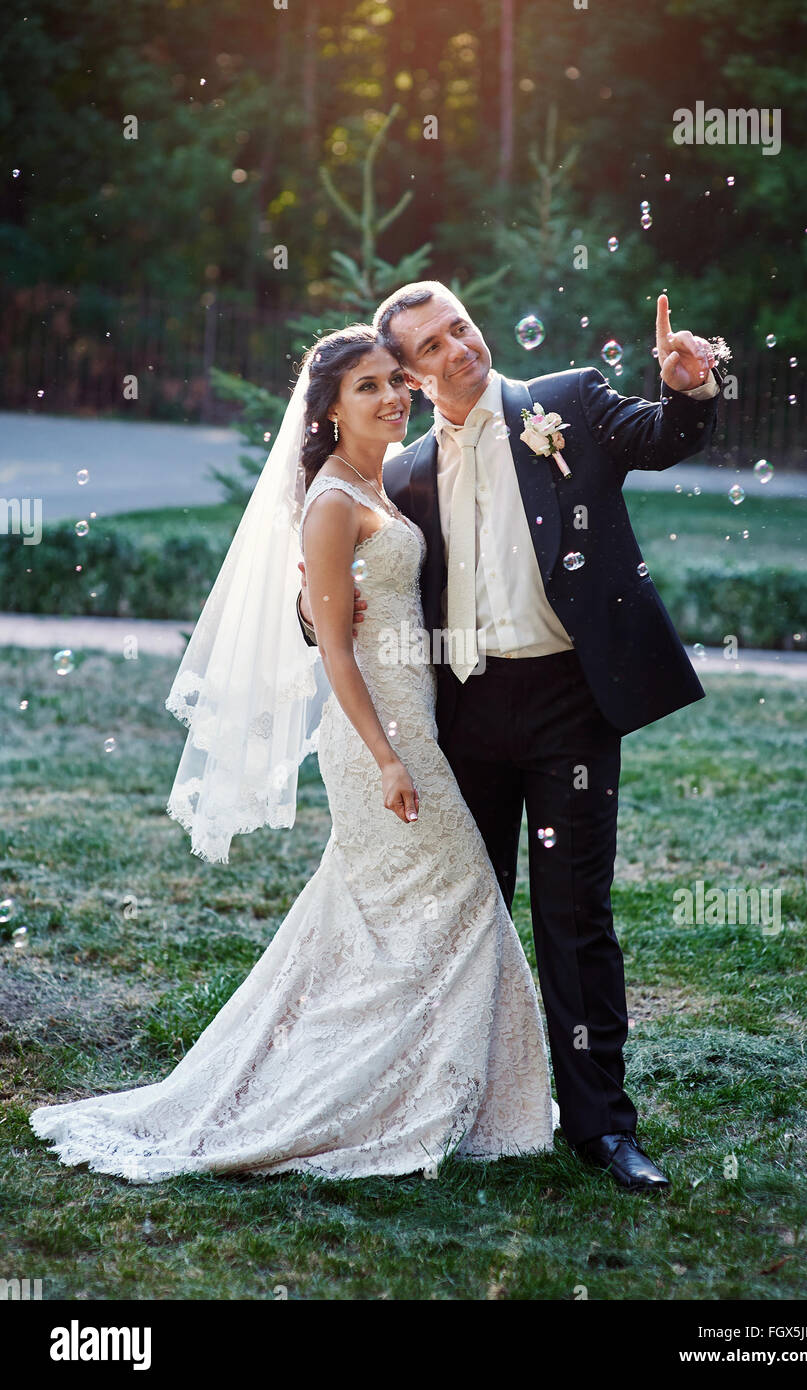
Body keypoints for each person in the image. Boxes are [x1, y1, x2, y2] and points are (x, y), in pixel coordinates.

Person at [28, 324, 559, 1184]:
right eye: (368, 388)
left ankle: (443, 1089)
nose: (392, 397)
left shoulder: (376, 483)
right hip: (375, 740)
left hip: (415, 723)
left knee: (398, 917)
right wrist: (387, 758)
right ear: (329, 410)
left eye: (396, 380)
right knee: (461, 895)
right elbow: (336, 653)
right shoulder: (332, 502)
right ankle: (387, 1097)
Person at [298, 283, 724, 1191]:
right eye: (432, 345)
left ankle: (602, 1127)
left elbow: (665, 436)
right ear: (410, 374)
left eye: (461, 326)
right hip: (464, 713)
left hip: (572, 701)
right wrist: (311, 611)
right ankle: (461, 1103)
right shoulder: (405, 471)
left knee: (575, 918)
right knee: (465, 916)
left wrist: (688, 390)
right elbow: (366, 588)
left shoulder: (564, 403)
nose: (458, 348)